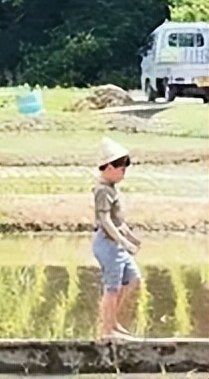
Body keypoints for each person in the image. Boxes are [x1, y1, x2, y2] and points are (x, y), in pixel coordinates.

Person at [94, 137, 142, 341]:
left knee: (133, 279)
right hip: (108, 244)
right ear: (110, 167)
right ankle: (107, 329)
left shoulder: (113, 189)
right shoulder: (103, 191)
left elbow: (118, 220)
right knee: (112, 287)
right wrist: (124, 242)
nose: (123, 174)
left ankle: (112, 321)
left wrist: (131, 237)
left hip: (117, 243)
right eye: (121, 169)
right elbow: (105, 221)